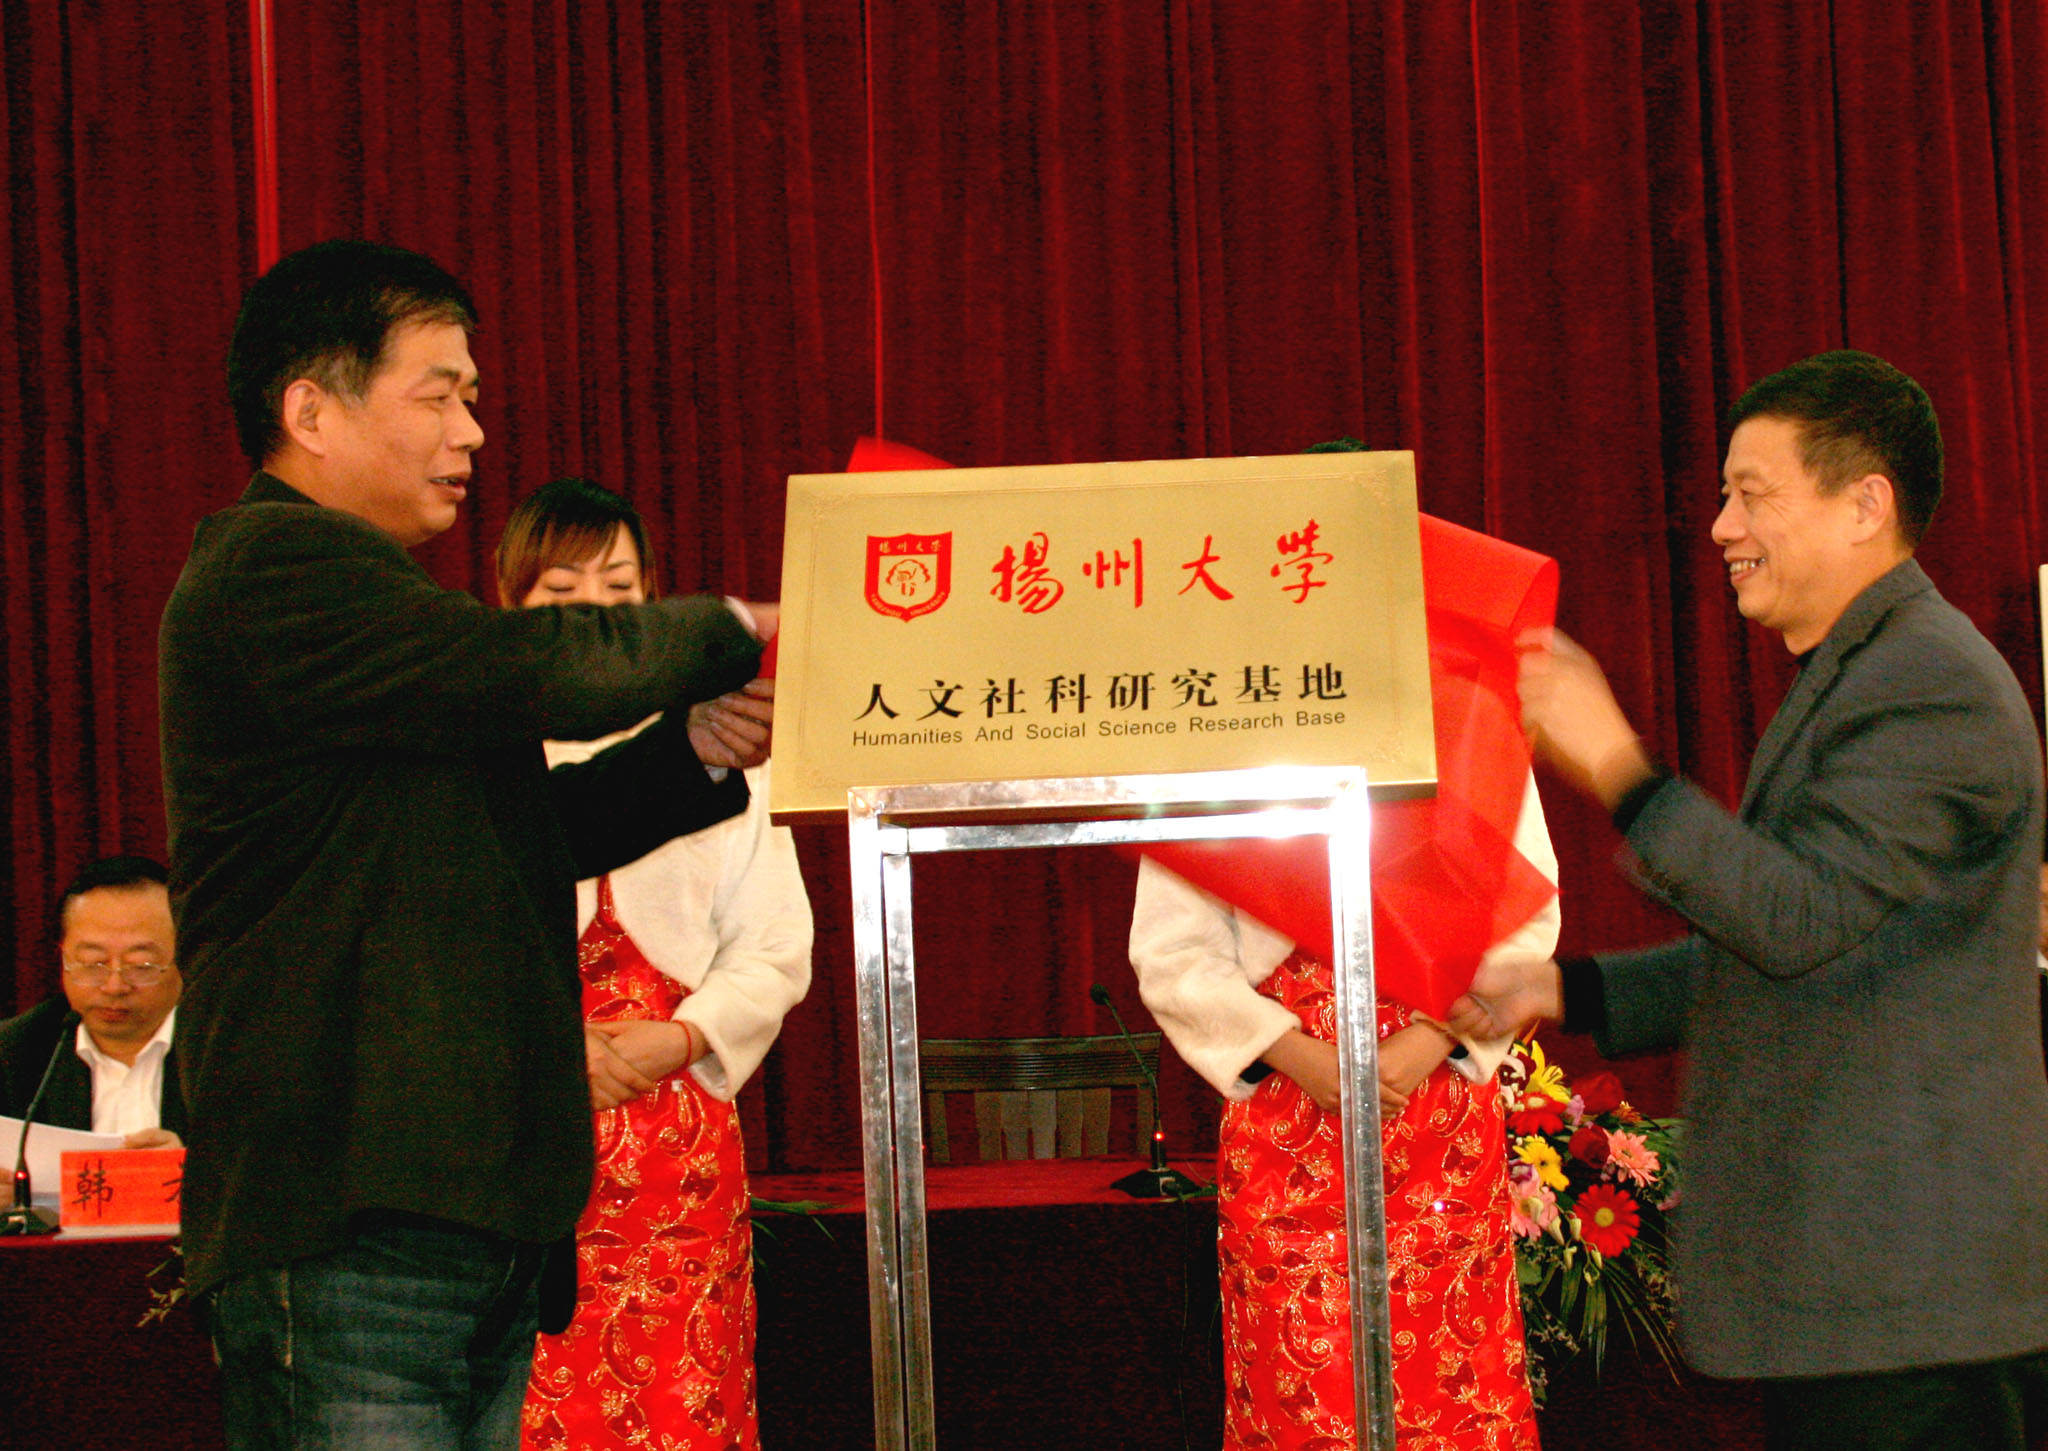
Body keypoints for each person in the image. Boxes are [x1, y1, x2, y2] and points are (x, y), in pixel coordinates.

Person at [159, 239, 776, 1451]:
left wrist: (695, 748)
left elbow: (517, 836)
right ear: (310, 412)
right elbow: (528, 666)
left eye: (473, 399)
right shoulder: (276, 566)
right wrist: (740, 625)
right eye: (437, 395)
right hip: (354, 1216)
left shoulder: (377, 616)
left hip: (447, 1217)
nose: (471, 433)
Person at [1450, 351, 2048, 1449]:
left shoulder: (1927, 681)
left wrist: (1619, 768)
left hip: (1907, 1300)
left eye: (1750, 493)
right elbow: (1824, 951)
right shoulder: (1866, 670)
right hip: (1867, 1298)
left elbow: (1792, 919)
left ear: (1864, 504)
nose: (1722, 526)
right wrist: (1560, 987)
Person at [497, 479, 811, 1451]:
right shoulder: (467, 749)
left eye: (619, 589)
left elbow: (775, 945)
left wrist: (680, 1037)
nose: (594, 613)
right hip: (508, 1148)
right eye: (560, 593)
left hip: (675, 1147)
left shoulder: (719, 745)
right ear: (508, 606)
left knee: (684, 1409)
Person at [1130, 775, 1557, 1450]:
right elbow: (1172, 951)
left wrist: (1435, 1036)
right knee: (1300, 1394)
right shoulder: (1216, 735)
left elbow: (1523, 910)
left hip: (1440, 1111)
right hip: (1286, 1110)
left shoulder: (1464, 716)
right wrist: (1294, 1054)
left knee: (1454, 1391)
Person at [0, 855, 185, 1147]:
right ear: (62, 955)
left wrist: (195, 1170)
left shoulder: (229, 1050)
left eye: (141, 966)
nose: (114, 987)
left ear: (185, 958)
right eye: (92, 963)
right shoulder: (13, 1053)